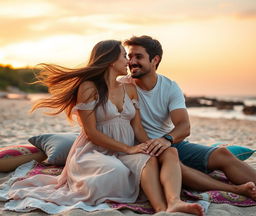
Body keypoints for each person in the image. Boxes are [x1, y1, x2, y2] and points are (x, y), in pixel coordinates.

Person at [6, 40, 204, 215]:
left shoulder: (129, 88)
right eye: (124, 56)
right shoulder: (89, 88)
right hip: (93, 151)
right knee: (116, 170)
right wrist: (129, 149)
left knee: (150, 160)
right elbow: (91, 133)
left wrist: (149, 146)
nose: (128, 61)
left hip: (125, 149)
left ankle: (165, 208)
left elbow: (137, 129)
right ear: (110, 61)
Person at [121, 35, 256, 200]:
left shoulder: (170, 87)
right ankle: (236, 189)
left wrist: (167, 139)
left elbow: (184, 126)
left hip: (170, 142)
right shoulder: (122, 85)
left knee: (222, 153)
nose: (131, 62)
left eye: (138, 57)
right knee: (176, 164)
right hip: (142, 148)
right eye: (129, 57)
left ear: (155, 59)